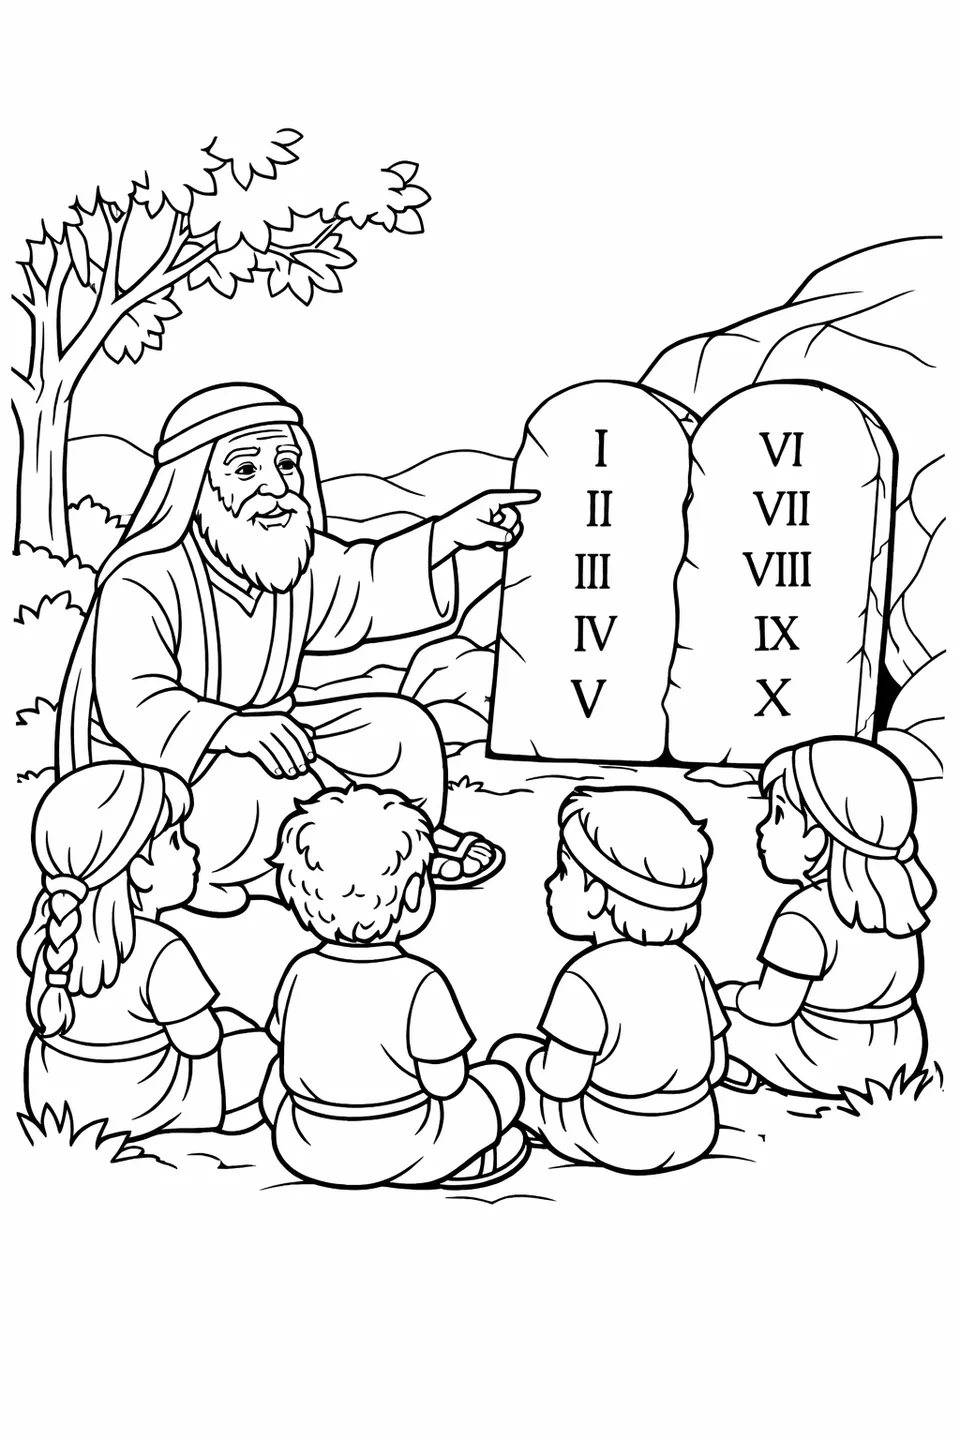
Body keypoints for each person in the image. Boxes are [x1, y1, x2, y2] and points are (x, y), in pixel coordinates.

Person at [57, 383, 539, 912]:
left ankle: (405, 848)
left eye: (286, 465)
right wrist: (230, 729)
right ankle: (319, 872)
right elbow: (137, 704)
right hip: (179, 768)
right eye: (245, 471)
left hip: (280, 734)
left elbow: (367, 583)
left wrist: (449, 534)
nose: (275, 488)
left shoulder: (288, 556)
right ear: (194, 487)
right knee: (245, 796)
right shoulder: (143, 579)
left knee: (401, 730)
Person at [261, 785, 529, 1189]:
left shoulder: (300, 970)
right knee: (502, 1084)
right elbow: (446, 1082)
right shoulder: (420, 981)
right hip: (403, 1145)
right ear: (415, 894)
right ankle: (466, 1159)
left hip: (302, 1146)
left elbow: (279, 1041)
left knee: (273, 1077)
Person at [20, 763, 275, 1139]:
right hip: (143, 1104)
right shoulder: (160, 950)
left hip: (55, 1099)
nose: (193, 848)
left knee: (231, 1022)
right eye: (175, 840)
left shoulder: (54, 933)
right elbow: (199, 1040)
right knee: (264, 1053)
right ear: (137, 868)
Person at [492, 786, 727, 1173]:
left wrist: (534, 1065)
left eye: (564, 872)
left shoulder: (586, 977)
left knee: (510, 1055)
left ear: (598, 896)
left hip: (614, 1134)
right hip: (696, 1129)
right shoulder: (691, 965)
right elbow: (716, 1066)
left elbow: (563, 1082)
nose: (551, 883)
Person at [719, 737, 934, 1098]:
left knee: (716, 1024)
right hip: (903, 1054)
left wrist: (733, 996)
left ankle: (736, 1064)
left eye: (777, 814)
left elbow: (772, 1007)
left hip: (830, 1057)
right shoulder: (897, 902)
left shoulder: (805, 916)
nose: (762, 828)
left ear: (818, 839)